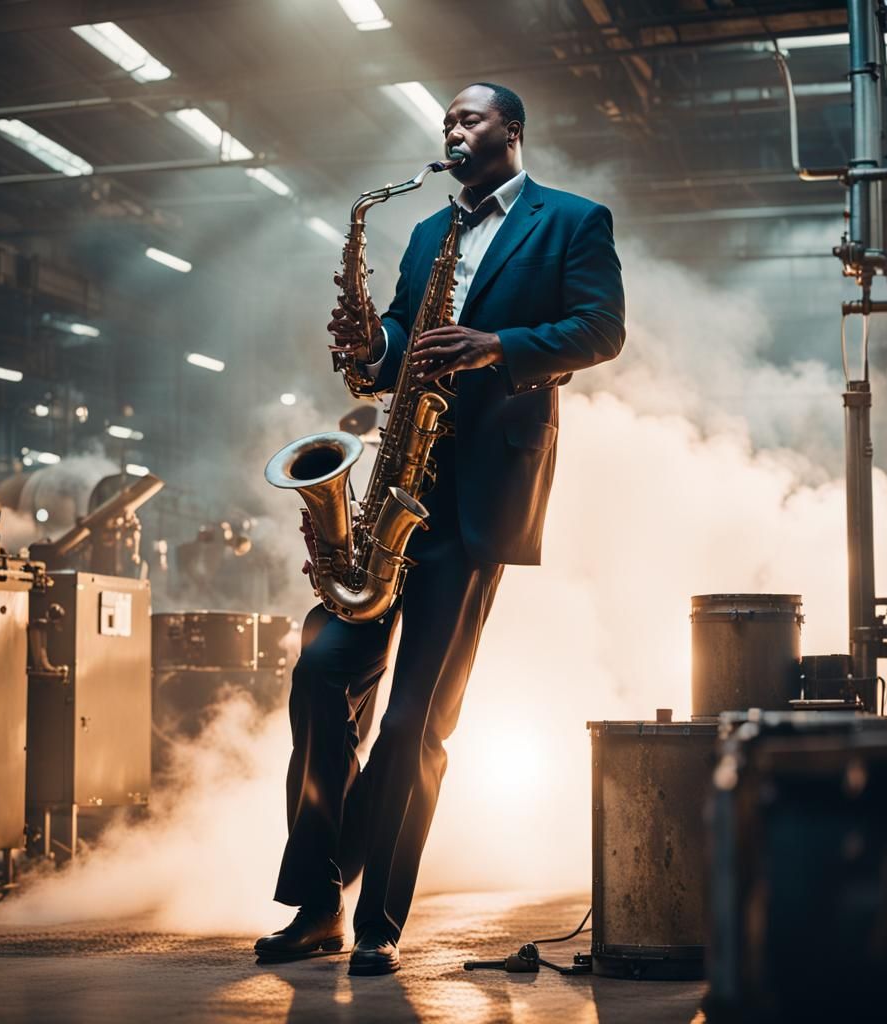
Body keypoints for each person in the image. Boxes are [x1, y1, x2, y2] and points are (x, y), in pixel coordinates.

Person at [255, 82, 625, 976]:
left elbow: (602, 330)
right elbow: (391, 348)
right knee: (320, 673)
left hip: (476, 499)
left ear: (512, 130)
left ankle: (375, 917)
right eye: (447, 121)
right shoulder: (428, 234)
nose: (452, 130)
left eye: (469, 118)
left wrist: (496, 343)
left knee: (415, 720)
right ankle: (318, 901)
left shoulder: (572, 220)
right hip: (392, 492)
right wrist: (370, 346)